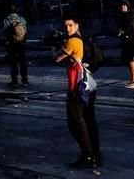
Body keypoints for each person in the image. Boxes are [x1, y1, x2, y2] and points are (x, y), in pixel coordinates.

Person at [54, 17, 101, 169]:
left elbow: (57, 58)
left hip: (77, 88)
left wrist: (55, 49)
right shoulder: (83, 39)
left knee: (75, 124)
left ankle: (87, 155)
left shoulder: (72, 41)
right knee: (89, 121)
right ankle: (96, 153)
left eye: (70, 25)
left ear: (77, 25)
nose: (67, 29)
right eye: (65, 26)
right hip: (89, 85)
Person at [2, 4, 29, 85]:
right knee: (22, 62)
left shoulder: (6, 20)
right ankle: (24, 80)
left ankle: (14, 80)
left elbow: (5, 32)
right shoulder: (21, 19)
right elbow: (25, 30)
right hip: (21, 43)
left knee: (13, 63)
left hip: (12, 44)